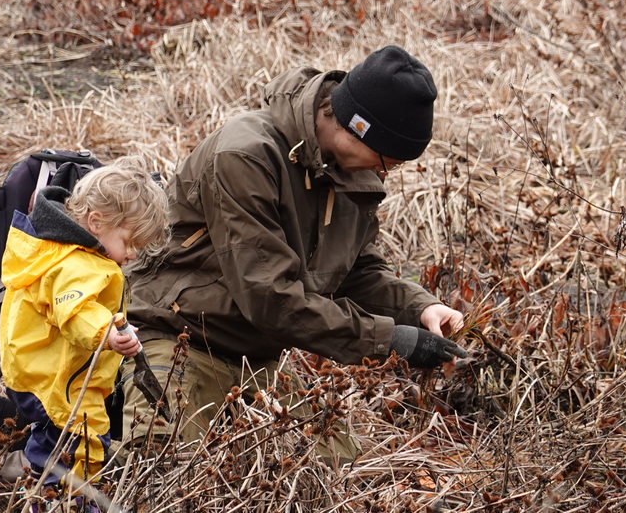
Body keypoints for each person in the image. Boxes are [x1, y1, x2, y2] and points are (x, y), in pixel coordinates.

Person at [122, 44, 467, 460]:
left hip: (257, 356)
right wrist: (390, 340)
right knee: (163, 470)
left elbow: (358, 271)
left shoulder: (350, 171)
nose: (382, 174)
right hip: (178, 339)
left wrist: (420, 309)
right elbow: (269, 296)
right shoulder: (245, 155)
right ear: (357, 127)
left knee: (338, 467)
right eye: (385, 162)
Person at [0, 155, 169, 487]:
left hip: (48, 372)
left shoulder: (60, 249)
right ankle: (64, 501)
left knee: (57, 441)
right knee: (80, 443)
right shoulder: (78, 265)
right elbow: (75, 311)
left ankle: (55, 492)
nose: (133, 254)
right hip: (62, 382)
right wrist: (106, 333)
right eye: (130, 242)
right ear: (96, 222)